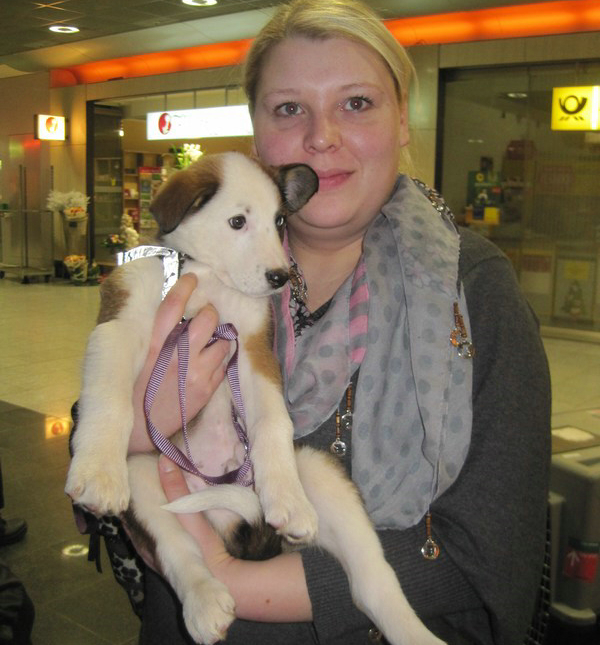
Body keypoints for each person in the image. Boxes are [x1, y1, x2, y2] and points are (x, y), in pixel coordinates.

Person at [121, 0, 552, 643]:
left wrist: (231, 582)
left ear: (402, 120)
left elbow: (487, 545)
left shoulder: (474, 291)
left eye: (356, 103)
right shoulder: (192, 266)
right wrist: (138, 426)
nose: (322, 136)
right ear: (257, 131)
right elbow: (94, 456)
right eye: (289, 108)